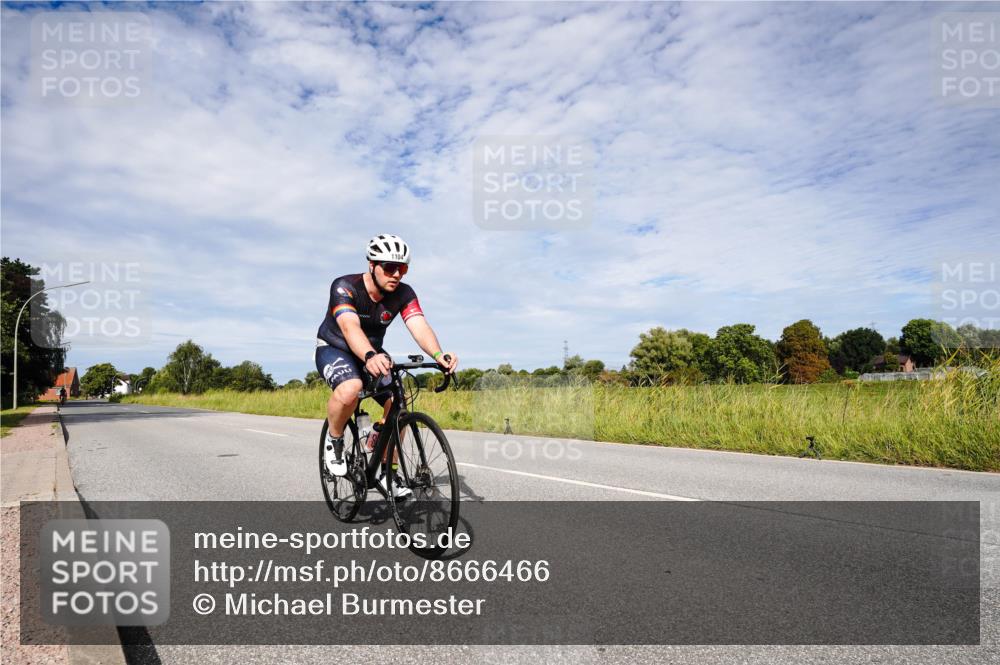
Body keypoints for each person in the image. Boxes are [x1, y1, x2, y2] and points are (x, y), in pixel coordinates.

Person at [314, 234, 458, 497]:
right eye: (389, 267)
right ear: (372, 265)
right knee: (350, 389)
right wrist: (369, 356)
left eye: (402, 268)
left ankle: (386, 469)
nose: (396, 274)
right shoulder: (345, 286)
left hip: (373, 352)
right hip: (336, 347)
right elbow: (349, 326)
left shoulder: (404, 292)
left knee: (399, 404)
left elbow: (419, 326)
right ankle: (334, 441)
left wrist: (438, 354)